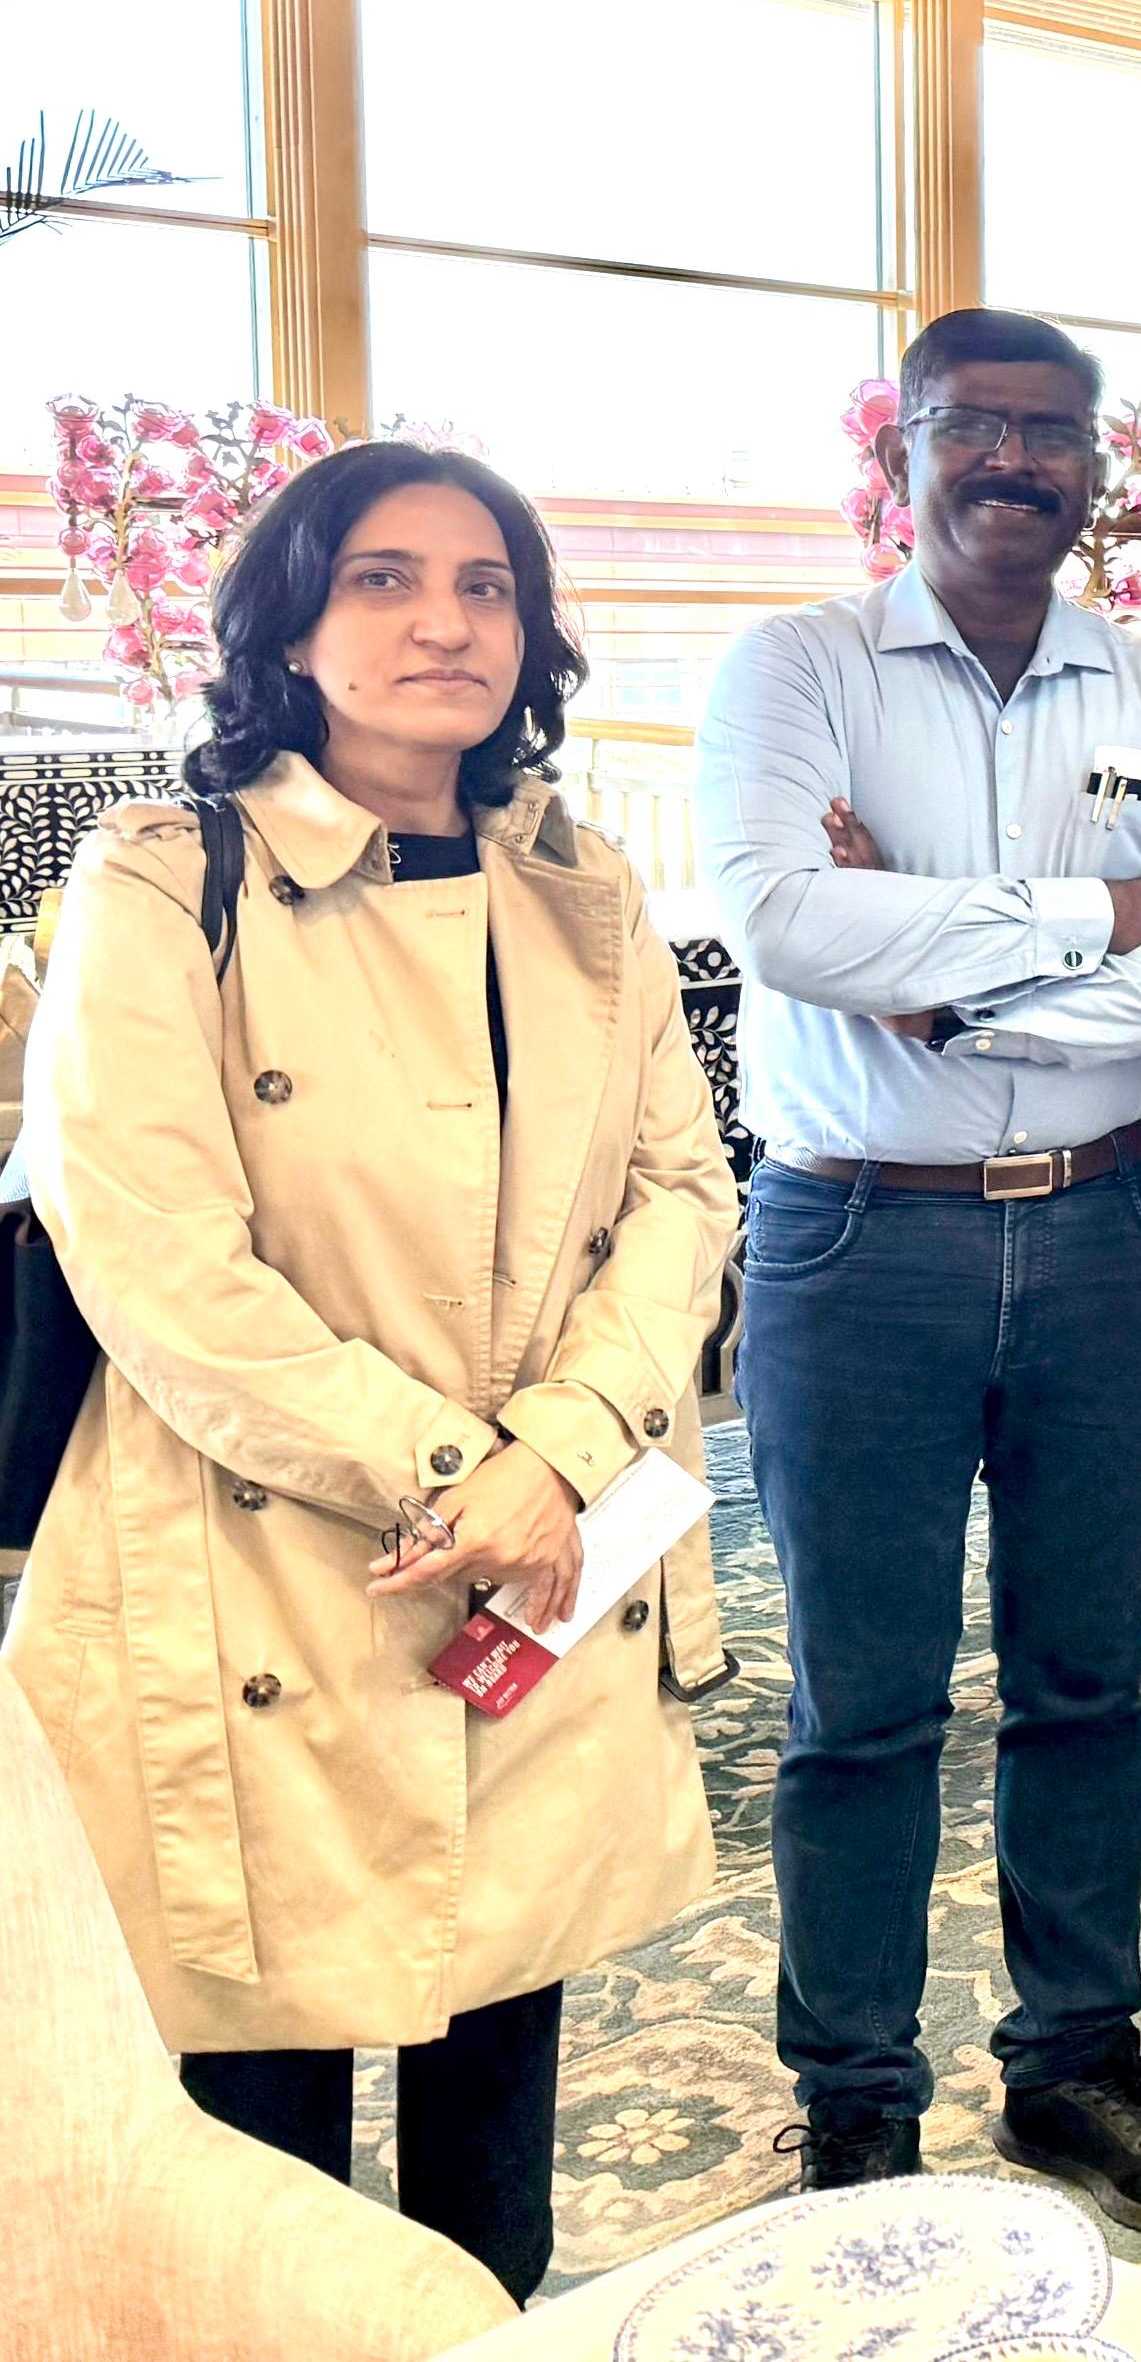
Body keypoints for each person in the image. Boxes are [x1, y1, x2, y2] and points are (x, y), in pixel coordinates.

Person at [0, 442, 738, 2299]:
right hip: (268, 1554)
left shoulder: (582, 887)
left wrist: (558, 1456)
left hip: (543, 1551)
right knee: (263, 2158)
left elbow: (681, 1190)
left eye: (487, 586)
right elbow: (155, 1257)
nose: (445, 623)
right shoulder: (165, 881)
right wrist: (459, 1474)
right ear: (290, 627)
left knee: (499, 2098)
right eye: (385, 579)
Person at [695, 308, 1141, 2232]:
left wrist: (948, 989)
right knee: (861, 1702)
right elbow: (787, 925)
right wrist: (1104, 918)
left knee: (1085, 1681)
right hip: (859, 1238)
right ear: (904, 452)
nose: (1014, 461)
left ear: (1097, 466)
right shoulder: (795, 671)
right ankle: (855, 2091)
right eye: (974, 426)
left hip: (1116, 1224)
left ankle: (1074, 2064)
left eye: (1052, 433)